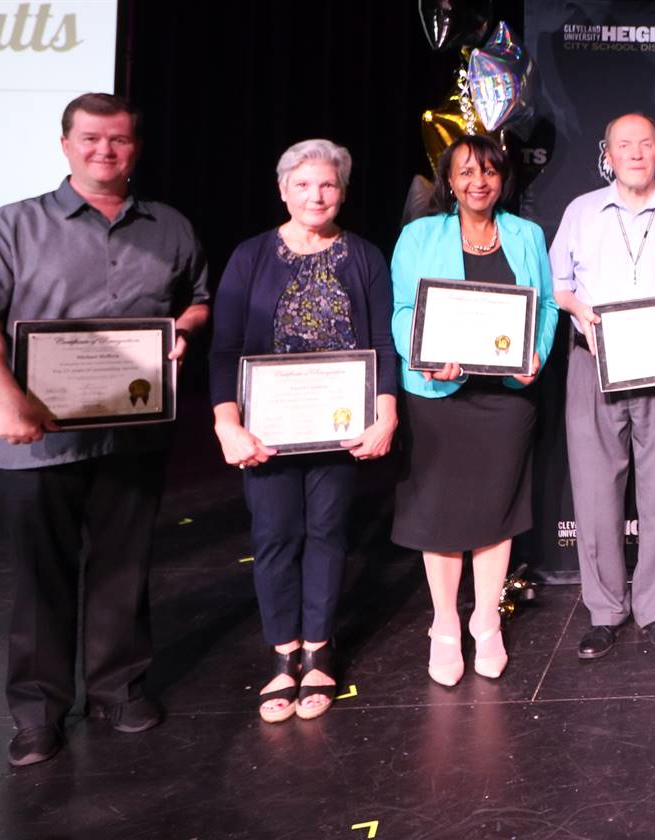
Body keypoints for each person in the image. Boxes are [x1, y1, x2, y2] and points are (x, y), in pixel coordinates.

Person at [0, 93, 209, 765]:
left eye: (118, 140)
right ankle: (37, 713)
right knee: (43, 579)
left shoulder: (171, 226)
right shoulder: (11, 226)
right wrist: (6, 399)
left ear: (135, 149)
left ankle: (118, 690)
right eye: (90, 139)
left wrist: (180, 332)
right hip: (35, 437)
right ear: (65, 144)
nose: (104, 150)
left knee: (124, 570)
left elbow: (197, 301)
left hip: (133, 432)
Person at [208, 139, 398, 722]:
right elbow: (224, 351)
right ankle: (281, 654)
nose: (317, 196)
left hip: (338, 427)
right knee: (275, 535)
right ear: (283, 189)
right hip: (267, 430)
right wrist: (226, 424)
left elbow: (384, 344)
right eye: (304, 184)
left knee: (328, 533)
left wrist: (386, 411)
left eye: (328, 185)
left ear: (342, 191)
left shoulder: (363, 256)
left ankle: (318, 648)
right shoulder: (250, 256)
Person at [549, 113, 655, 659]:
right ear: (608, 153)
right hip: (593, 364)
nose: (635, 153)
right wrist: (583, 313)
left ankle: (653, 610)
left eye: (645, 144)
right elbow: (559, 287)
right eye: (624, 145)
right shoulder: (580, 212)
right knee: (596, 493)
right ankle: (604, 612)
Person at [390, 135, 558, 685]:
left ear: (502, 178)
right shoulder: (420, 235)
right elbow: (402, 308)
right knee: (440, 512)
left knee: (495, 510)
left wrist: (537, 354)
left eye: (487, 171)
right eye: (466, 172)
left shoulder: (527, 234)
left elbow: (548, 305)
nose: (478, 182)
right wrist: (425, 357)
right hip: (441, 396)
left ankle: (485, 620)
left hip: (505, 399)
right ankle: (443, 625)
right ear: (449, 180)